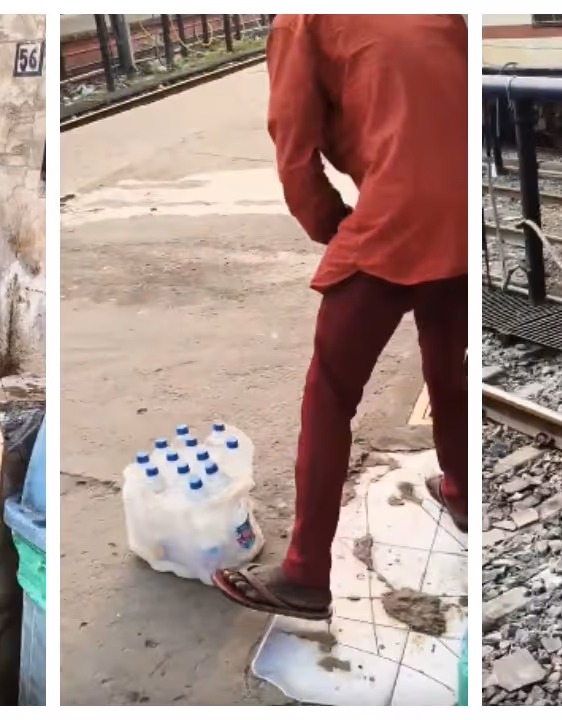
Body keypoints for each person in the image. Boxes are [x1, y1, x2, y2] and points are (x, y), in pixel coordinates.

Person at [211, 15, 467, 620]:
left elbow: (294, 148)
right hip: (461, 214)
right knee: (447, 371)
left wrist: (335, 229)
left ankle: (303, 574)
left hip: (396, 217)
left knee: (328, 395)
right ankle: (459, 488)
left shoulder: (305, 18)